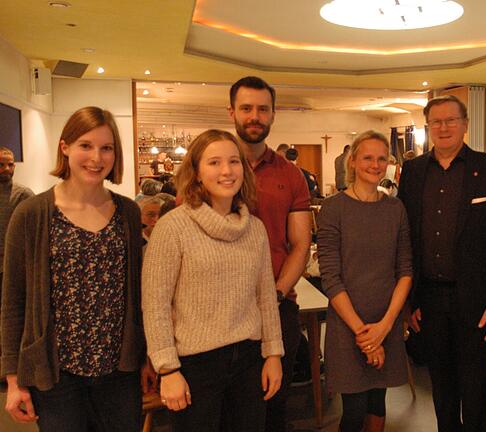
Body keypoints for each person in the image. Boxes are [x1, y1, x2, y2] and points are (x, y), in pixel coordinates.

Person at [1, 106, 151, 431]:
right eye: (86, 145)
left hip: (118, 373)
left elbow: (139, 295)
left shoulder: (127, 213)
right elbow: (14, 302)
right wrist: (13, 379)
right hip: (56, 377)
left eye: (106, 148)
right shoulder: (31, 214)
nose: (96, 157)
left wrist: (147, 357)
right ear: (65, 147)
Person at [142, 129, 284, 432]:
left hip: (248, 360)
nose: (226, 171)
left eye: (234, 162)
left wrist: (273, 353)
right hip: (195, 365)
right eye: (214, 162)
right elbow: (155, 305)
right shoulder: (172, 227)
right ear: (195, 172)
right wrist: (167, 370)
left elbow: (266, 297)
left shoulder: (254, 228)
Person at [398, 95, 486, 432]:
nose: (444, 127)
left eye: (451, 120)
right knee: (441, 386)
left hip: (478, 302)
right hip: (430, 300)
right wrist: (410, 300)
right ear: (429, 127)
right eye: (436, 121)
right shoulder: (413, 171)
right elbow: (406, 238)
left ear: (465, 124)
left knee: (476, 388)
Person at [228, 76, 312, 432]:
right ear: (231, 111)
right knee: (229, 414)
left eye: (263, 109)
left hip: (278, 308)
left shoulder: (290, 175)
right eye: (246, 108)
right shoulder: (209, 167)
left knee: (274, 410)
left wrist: (274, 295)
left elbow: (301, 245)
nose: (254, 116)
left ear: (273, 114)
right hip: (222, 313)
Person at [317, 130, 412, 432]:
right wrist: (365, 336)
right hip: (349, 324)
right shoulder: (333, 208)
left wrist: (383, 328)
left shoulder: (395, 208)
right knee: (354, 409)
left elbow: (405, 270)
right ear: (353, 161)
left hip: (386, 319)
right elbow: (330, 278)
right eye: (367, 157)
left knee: (377, 403)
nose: (375, 164)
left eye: (381, 158)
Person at [0, 146, 33, 290]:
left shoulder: (24, 195)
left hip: (13, 266)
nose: (6, 169)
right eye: (1, 165)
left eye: (10, 164)